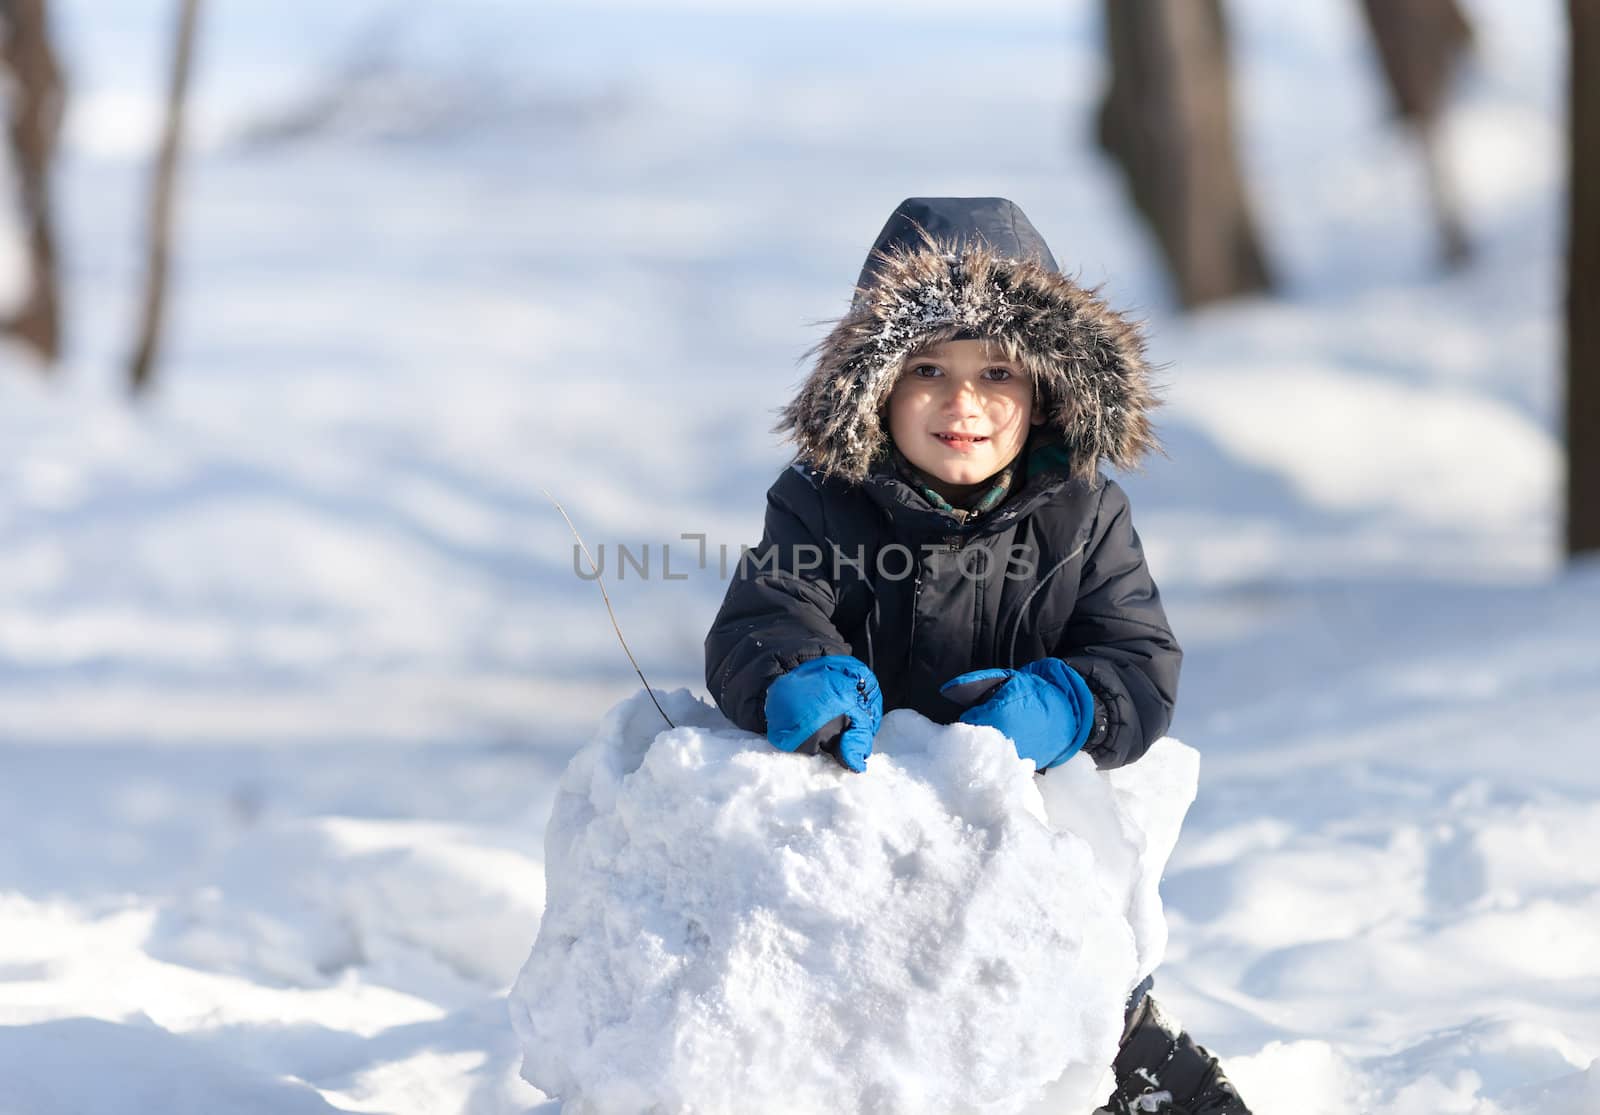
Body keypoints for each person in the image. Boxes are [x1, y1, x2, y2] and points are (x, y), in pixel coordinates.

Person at [704, 197, 1249, 1114]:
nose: (964, 403)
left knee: (1073, 1000)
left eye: (997, 369)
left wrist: (1072, 702)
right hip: (864, 828)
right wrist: (798, 673)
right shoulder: (820, 503)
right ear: (874, 386)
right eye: (928, 370)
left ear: (1046, 386)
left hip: (1028, 834)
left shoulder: (1083, 512)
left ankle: (1130, 1076)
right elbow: (765, 614)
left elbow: (1138, 653)